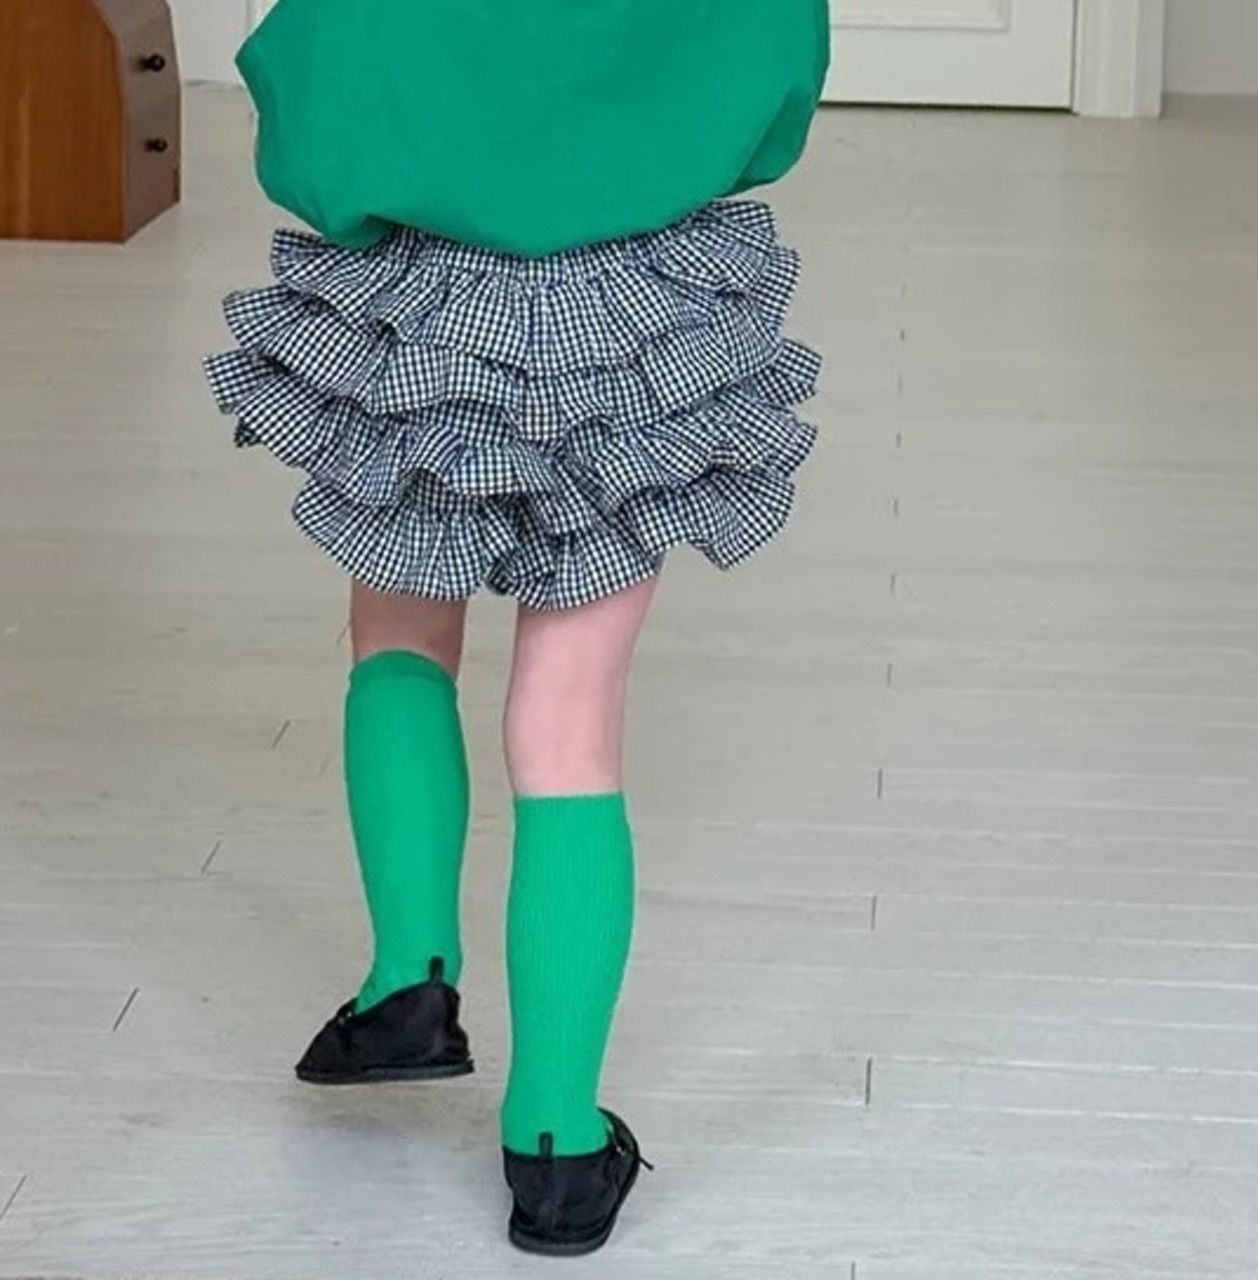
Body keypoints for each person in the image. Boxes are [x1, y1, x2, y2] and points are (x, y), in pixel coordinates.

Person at [204, 0, 829, 1257]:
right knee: (569, 719)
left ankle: (405, 984)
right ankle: (553, 1143)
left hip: (421, 298)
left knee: (394, 635)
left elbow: (313, 96)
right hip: (633, 307)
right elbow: (780, 71)